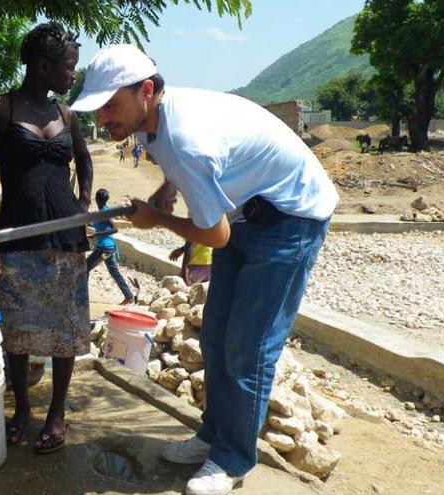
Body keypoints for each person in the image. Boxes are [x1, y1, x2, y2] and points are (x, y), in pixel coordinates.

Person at [71, 44, 338, 495]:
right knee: (215, 335)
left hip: (290, 220)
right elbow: (194, 177)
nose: (102, 120)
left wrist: (158, 219)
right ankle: (214, 436)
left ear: (146, 91)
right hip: (246, 213)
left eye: (111, 106)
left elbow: (214, 238)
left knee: (248, 348)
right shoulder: (160, 119)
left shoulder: (185, 138)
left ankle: (233, 459)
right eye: (98, 109)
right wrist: (166, 190)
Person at [0, 22, 93, 454]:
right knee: (18, 330)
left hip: (66, 238)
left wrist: (82, 204)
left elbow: (83, 160)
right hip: (15, 235)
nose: (72, 74)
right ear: (43, 66)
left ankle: (56, 413)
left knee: (66, 329)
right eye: (68, 66)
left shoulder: (67, 115)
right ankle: (22, 409)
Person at [86, 188, 134, 305]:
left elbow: (115, 229)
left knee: (85, 268)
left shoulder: (104, 213)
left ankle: (81, 296)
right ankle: (129, 296)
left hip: (104, 248)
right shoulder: (103, 211)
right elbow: (98, 224)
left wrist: (96, 234)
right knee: (114, 272)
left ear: (96, 199)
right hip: (108, 248)